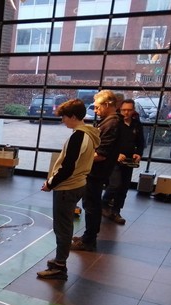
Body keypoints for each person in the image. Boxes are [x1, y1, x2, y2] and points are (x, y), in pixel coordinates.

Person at [37, 99, 100, 280]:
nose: (63, 120)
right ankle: (59, 260)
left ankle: (59, 266)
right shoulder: (89, 134)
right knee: (65, 226)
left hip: (68, 187)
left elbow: (67, 168)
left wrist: (50, 184)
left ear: (73, 116)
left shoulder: (78, 136)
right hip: (78, 184)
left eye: (64, 117)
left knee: (62, 228)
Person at [71, 90, 121, 252]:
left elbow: (101, 154)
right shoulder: (110, 122)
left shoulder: (111, 124)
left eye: (98, 107)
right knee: (92, 205)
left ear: (107, 104)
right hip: (97, 172)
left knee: (91, 206)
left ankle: (89, 241)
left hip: (96, 172)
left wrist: (79, 159)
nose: (95, 110)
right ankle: (88, 236)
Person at [101, 98, 145, 225]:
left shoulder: (136, 125)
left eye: (129, 110)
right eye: (124, 110)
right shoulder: (115, 123)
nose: (126, 112)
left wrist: (138, 153)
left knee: (124, 187)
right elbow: (107, 143)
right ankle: (103, 204)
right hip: (114, 159)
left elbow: (141, 142)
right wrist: (116, 154)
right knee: (115, 184)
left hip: (129, 160)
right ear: (120, 109)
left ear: (133, 110)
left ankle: (116, 211)